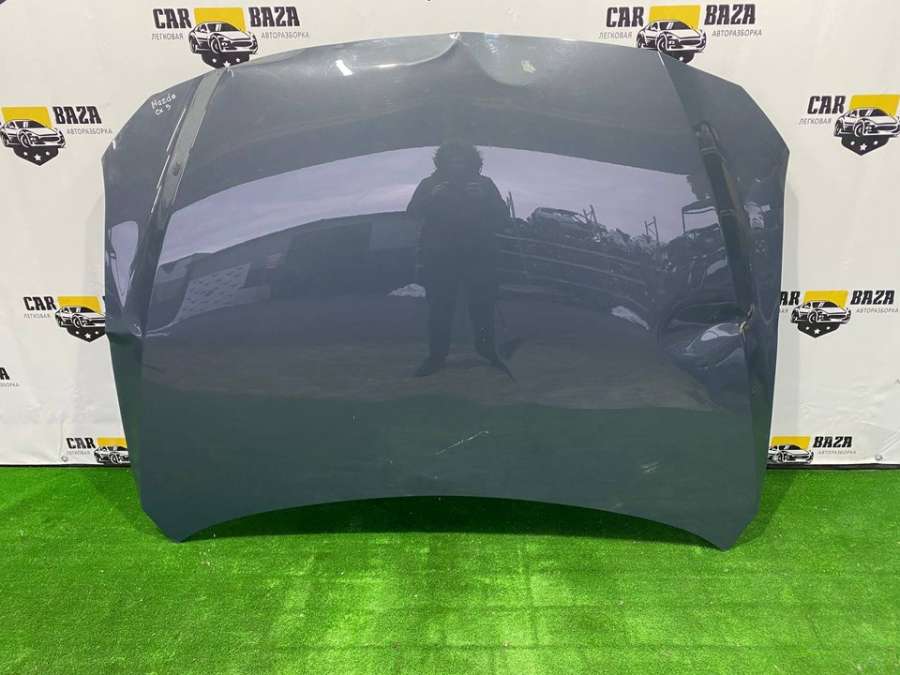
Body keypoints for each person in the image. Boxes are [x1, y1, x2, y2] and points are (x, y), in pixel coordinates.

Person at [406, 141, 510, 377]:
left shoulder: (484, 184)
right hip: (440, 256)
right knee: (440, 307)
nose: (456, 162)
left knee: (482, 305)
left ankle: (488, 352)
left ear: (471, 160)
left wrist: (484, 198)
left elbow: (503, 218)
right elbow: (411, 213)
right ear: (442, 161)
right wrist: (431, 197)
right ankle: (436, 356)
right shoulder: (430, 184)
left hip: (479, 255)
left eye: (461, 158)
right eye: (452, 158)